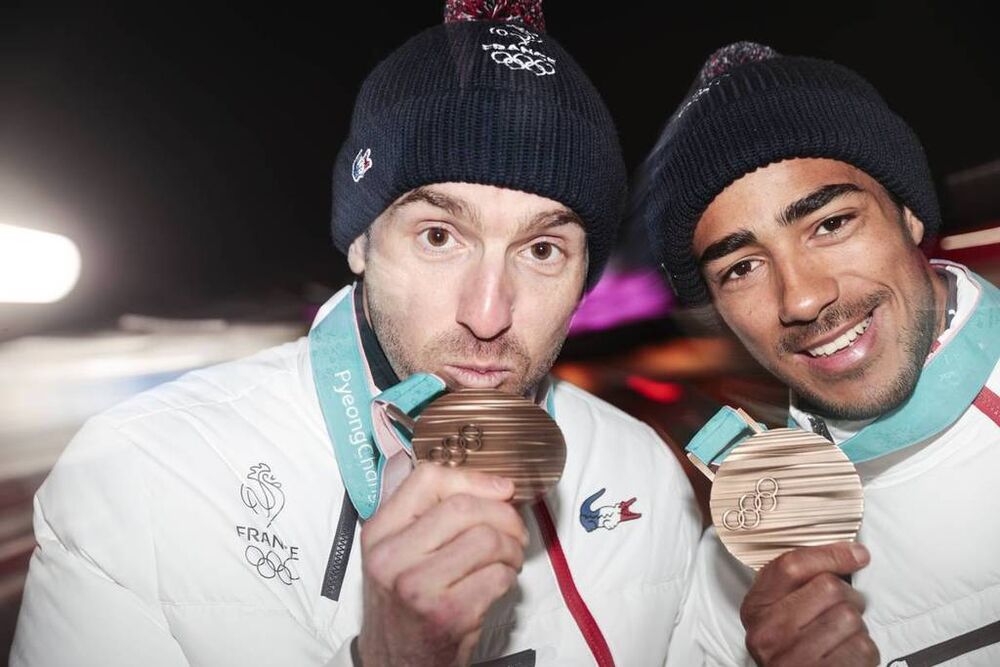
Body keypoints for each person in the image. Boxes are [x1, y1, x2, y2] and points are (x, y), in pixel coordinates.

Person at [12, 3, 701, 666]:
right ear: (363, 242)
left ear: (585, 275)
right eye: (439, 236)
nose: (488, 313)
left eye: (543, 250)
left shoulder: (644, 471)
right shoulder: (139, 474)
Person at [633, 42, 1000, 666]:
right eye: (743, 267)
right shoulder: (746, 570)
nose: (801, 298)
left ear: (908, 214)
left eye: (830, 224)